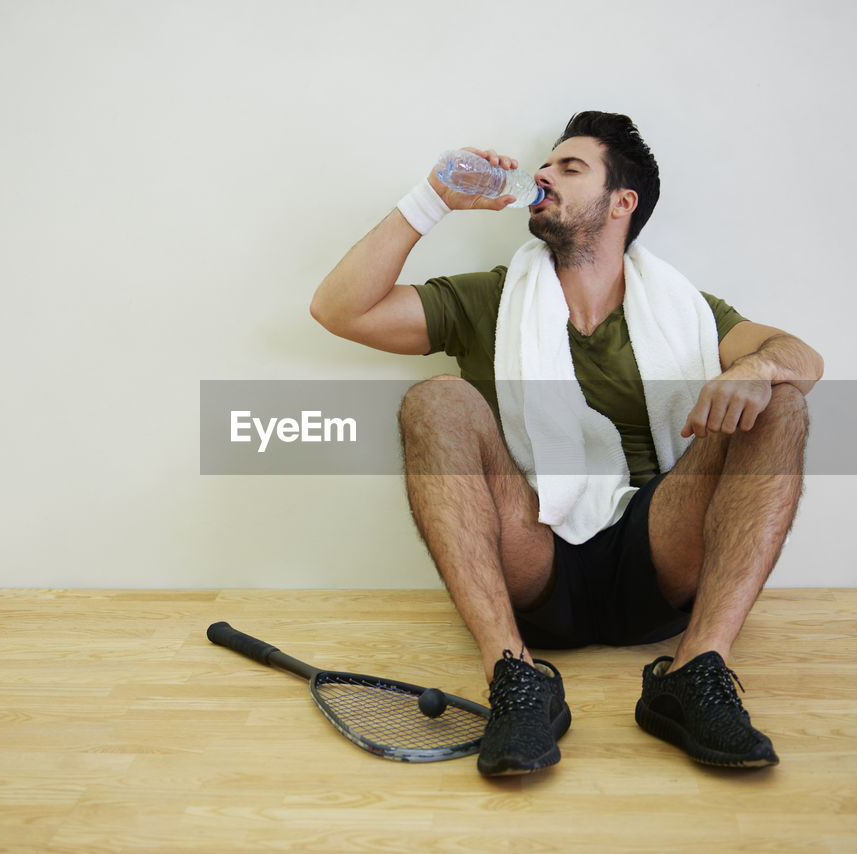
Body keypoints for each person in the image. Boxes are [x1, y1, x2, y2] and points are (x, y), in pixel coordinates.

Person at [310, 111, 821, 775]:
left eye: (569, 167)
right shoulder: (495, 298)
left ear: (621, 203)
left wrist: (753, 368)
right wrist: (431, 200)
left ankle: (696, 671)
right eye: (545, 164)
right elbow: (340, 310)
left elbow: (803, 356)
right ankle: (514, 677)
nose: (543, 173)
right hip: (538, 551)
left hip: (656, 549)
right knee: (435, 399)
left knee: (781, 399)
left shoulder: (686, 310)